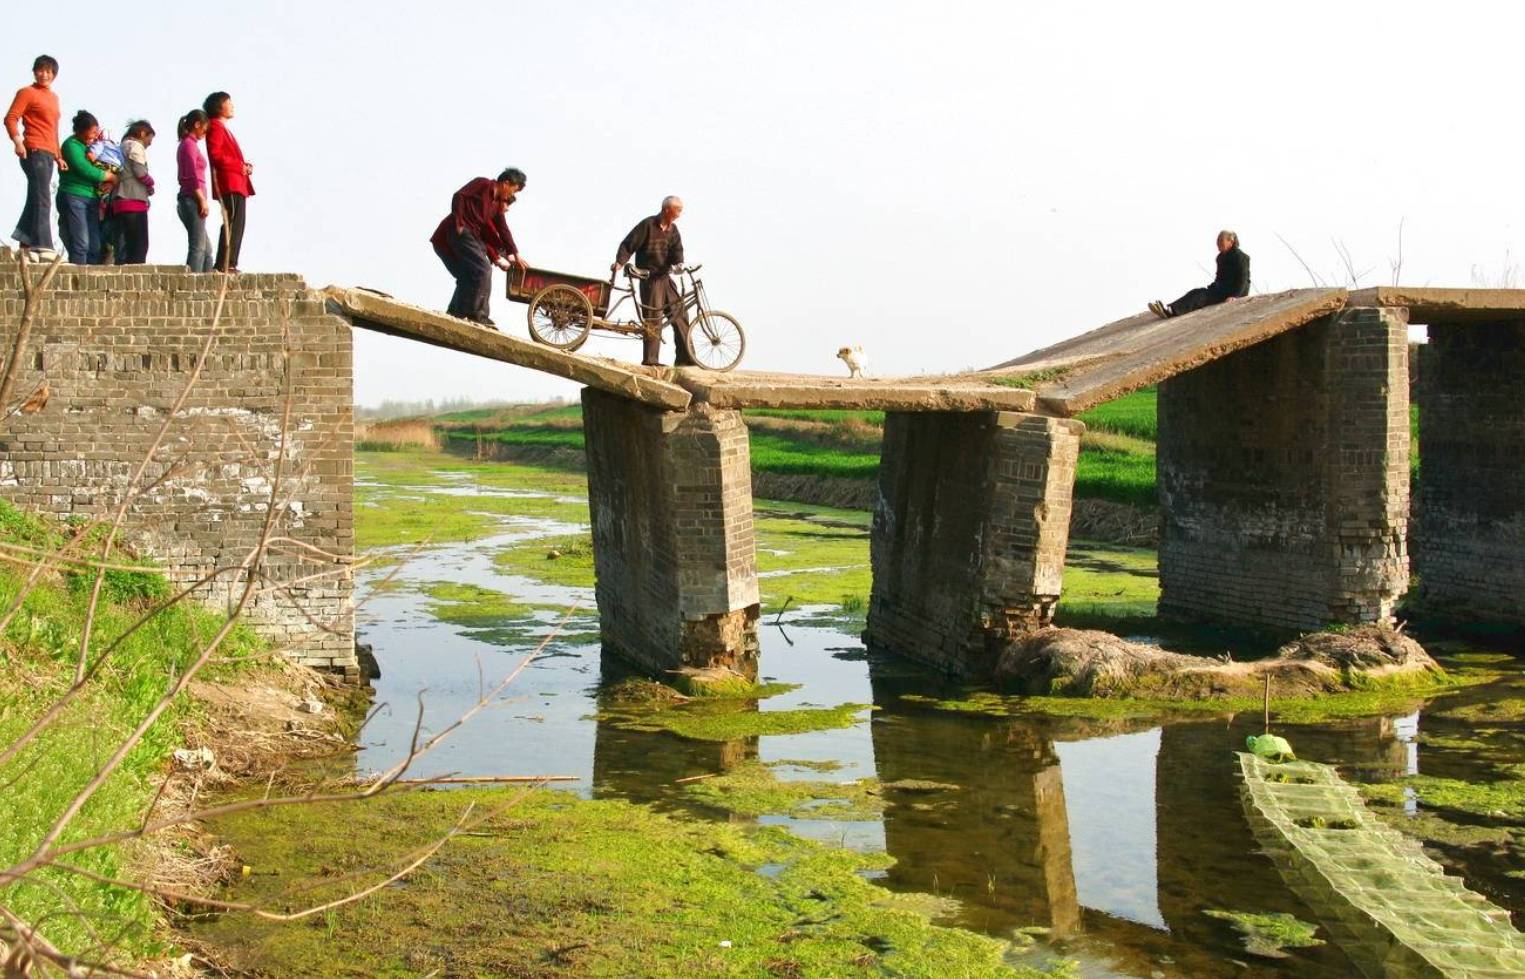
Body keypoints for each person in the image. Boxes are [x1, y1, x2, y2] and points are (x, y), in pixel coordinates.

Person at [429, 168, 528, 327]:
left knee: (469, 274)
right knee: (483, 269)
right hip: (462, 232)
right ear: (506, 183)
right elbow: (459, 196)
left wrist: (514, 254)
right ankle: (478, 315)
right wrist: (459, 221)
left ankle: (456, 312)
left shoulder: (495, 206)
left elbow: (502, 230)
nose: (511, 196)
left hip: (472, 236)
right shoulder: (483, 183)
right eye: (513, 191)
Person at [612, 196, 693, 367]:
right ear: (666, 209)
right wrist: (620, 262)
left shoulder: (673, 230)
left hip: (665, 278)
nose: (679, 214)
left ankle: (686, 358)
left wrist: (679, 264)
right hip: (650, 280)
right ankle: (650, 360)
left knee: (680, 315)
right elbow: (628, 244)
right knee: (653, 319)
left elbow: (677, 251)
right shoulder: (647, 225)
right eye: (677, 210)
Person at [5, 55, 63, 257]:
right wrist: (18, 141)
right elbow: (11, 118)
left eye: (48, 71)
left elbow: (53, 128)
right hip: (33, 150)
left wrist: (59, 155)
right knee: (43, 196)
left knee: (35, 197)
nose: (44, 74)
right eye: (40, 70)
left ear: (54, 75)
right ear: (34, 71)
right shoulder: (27, 93)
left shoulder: (54, 98)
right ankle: (43, 245)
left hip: (49, 152)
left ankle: (25, 242)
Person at [56, 110, 115, 264]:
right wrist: (109, 176)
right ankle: (78, 278)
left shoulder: (93, 148)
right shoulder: (71, 145)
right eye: (93, 132)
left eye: (97, 132)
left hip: (92, 198)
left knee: (95, 245)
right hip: (74, 195)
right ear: (81, 131)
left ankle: (91, 280)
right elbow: (85, 169)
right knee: (81, 243)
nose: (95, 136)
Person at [1149, 231, 1251, 319]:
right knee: (1198, 292)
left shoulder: (1240, 257)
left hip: (1236, 292)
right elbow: (1219, 277)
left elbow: (1243, 278)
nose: (1217, 243)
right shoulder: (1220, 258)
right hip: (1223, 290)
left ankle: (1172, 311)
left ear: (1231, 242)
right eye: (1217, 240)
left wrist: (1235, 296)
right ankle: (1169, 308)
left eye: (1221, 240)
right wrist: (1213, 287)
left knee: (1201, 297)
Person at [204, 91, 252, 272]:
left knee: (237, 222)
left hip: (237, 182)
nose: (232, 105)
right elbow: (216, 155)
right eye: (228, 102)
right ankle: (226, 263)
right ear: (219, 106)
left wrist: (243, 167)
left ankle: (229, 262)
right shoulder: (215, 127)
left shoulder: (224, 129)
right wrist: (238, 166)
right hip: (229, 182)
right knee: (232, 222)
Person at [175, 109, 213, 271]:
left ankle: (206, 283)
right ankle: (193, 284)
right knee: (198, 247)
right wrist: (201, 199)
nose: (205, 133)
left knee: (207, 249)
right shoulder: (189, 145)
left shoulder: (189, 145)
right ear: (197, 125)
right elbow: (190, 175)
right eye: (204, 129)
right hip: (192, 199)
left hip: (191, 199)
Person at [113, 120, 155, 264]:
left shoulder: (121, 146)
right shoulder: (135, 146)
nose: (150, 144)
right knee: (139, 245)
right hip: (133, 200)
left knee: (123, 245)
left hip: (118, 200)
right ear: (143, 133)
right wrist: (150, 184)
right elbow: (140, 171)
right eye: (150, 139)